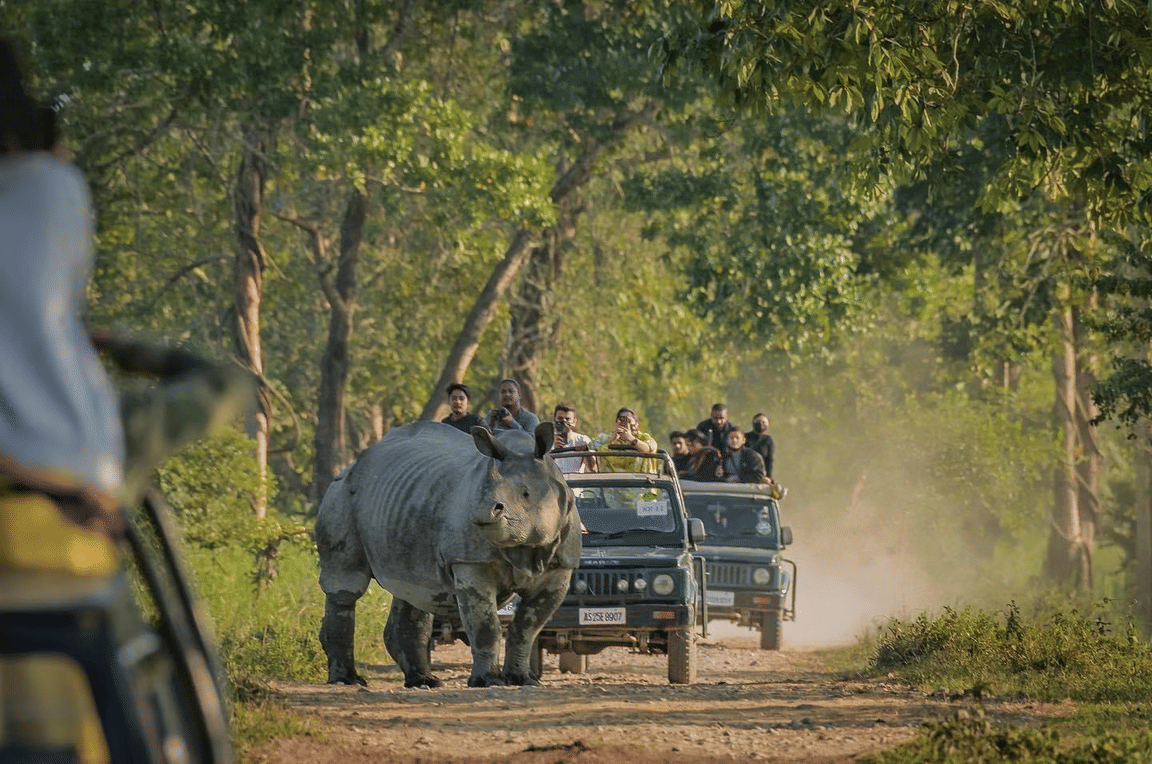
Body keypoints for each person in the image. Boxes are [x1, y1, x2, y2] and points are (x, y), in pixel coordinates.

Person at [590, 407, 658, 473]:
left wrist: (631, 439)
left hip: (641, 481)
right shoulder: (604, 438)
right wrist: (611, 441)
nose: (625, 425)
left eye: (629, 421)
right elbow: (591, 448)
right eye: (621, 421)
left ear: (636, 424)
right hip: (610, 481)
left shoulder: (644, 437)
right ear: (616, 423)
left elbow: (650, 448)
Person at [548, 402, 593, 474]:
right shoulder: (547, 442)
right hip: (555, 483)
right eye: (560, 419)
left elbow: (594, 470)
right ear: (554, 420)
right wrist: (553, 451)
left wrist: (586, 452)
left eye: (567, 419)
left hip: (576, 482)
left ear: (574, 422)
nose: (564, 422)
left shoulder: (583, 440)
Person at [744, 412, 775, 482]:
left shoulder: (768, 440)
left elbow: (770, 460)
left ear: (768, 425)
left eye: (764, 422)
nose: (761, 424)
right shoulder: (745, 437)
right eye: (758, 422)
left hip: (762, 475)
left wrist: (769, 477)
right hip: (746, 473)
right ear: (753, 423)